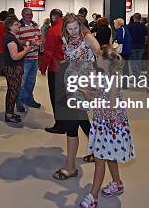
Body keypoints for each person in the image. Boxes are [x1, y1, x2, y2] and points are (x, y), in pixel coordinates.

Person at [79, 46, 135, 208]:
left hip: (110, 124)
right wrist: (87, 90)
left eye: (98, 57)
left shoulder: (114, 78)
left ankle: (93, 196)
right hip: (102, 122)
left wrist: (88, 94)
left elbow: (110, 105)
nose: (95, 60)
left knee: (99, 159)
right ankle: (117, 183)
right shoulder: (101, 74)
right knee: (109, 156)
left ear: (106, 61)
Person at [52, 13, 98, 182]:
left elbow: (101, 58)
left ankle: (70, 167)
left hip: (82, 88)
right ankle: (98, 149)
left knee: (71, 124)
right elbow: (72, 58)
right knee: (81, 120)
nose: (72, 31)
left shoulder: (88, 38)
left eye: (75, 28)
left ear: (80, 25)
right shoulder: (67, 39)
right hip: (70, 86)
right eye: (69, 28)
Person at [40, 9, 65, 134]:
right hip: (68, 68)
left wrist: (43, 67)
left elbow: (48, 51)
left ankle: (60, 125)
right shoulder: (68, 29)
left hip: (55, 68)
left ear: (52, 17)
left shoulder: (52, 30)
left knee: (56, 97)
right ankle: (67, 122)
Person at [3, 16, 32, 123]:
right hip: (13, 68)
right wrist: (26, 50)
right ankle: (9, 114)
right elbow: (15, 56)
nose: (19, 25)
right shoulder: (10, 38)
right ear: (10, 26)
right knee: (12, 91)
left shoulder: (12, 37)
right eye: (16, 24)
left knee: (13, 91)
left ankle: (10, 112)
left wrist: (25, 45)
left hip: (14, 68)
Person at [16, 8, 42, 112]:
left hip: (34, 57)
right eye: (27, 14)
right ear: (22, 14)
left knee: (31, 82)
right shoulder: (18, 26)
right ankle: (19, 102)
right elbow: (16, 41)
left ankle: (28, 99)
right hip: (24, 58)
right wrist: (29, 43)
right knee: (21, 82)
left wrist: (40, 41)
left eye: (31, 14)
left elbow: (40, 37)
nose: (29, 16)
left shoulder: (35, 24)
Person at [126, 13, 147, 80]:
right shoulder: (143, 26)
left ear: (133, 18)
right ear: (140, 18)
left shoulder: (129, 26)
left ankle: (136, 76)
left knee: (133, 63)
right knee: (139, 62)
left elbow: (127, 37)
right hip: (141, 46)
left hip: (132, 46)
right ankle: (137, 75)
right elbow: (146, 36)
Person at [113, 18, 132, 88]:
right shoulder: (125, 29)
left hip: (123, 51)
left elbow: (120, 40)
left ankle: (123, 84)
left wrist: (115, 40)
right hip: (127, 50)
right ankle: (125, 84)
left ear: (118, 24)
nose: (114, 25)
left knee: (122, 68)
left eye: (114, 23)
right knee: (125, 67)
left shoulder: (120, 30)